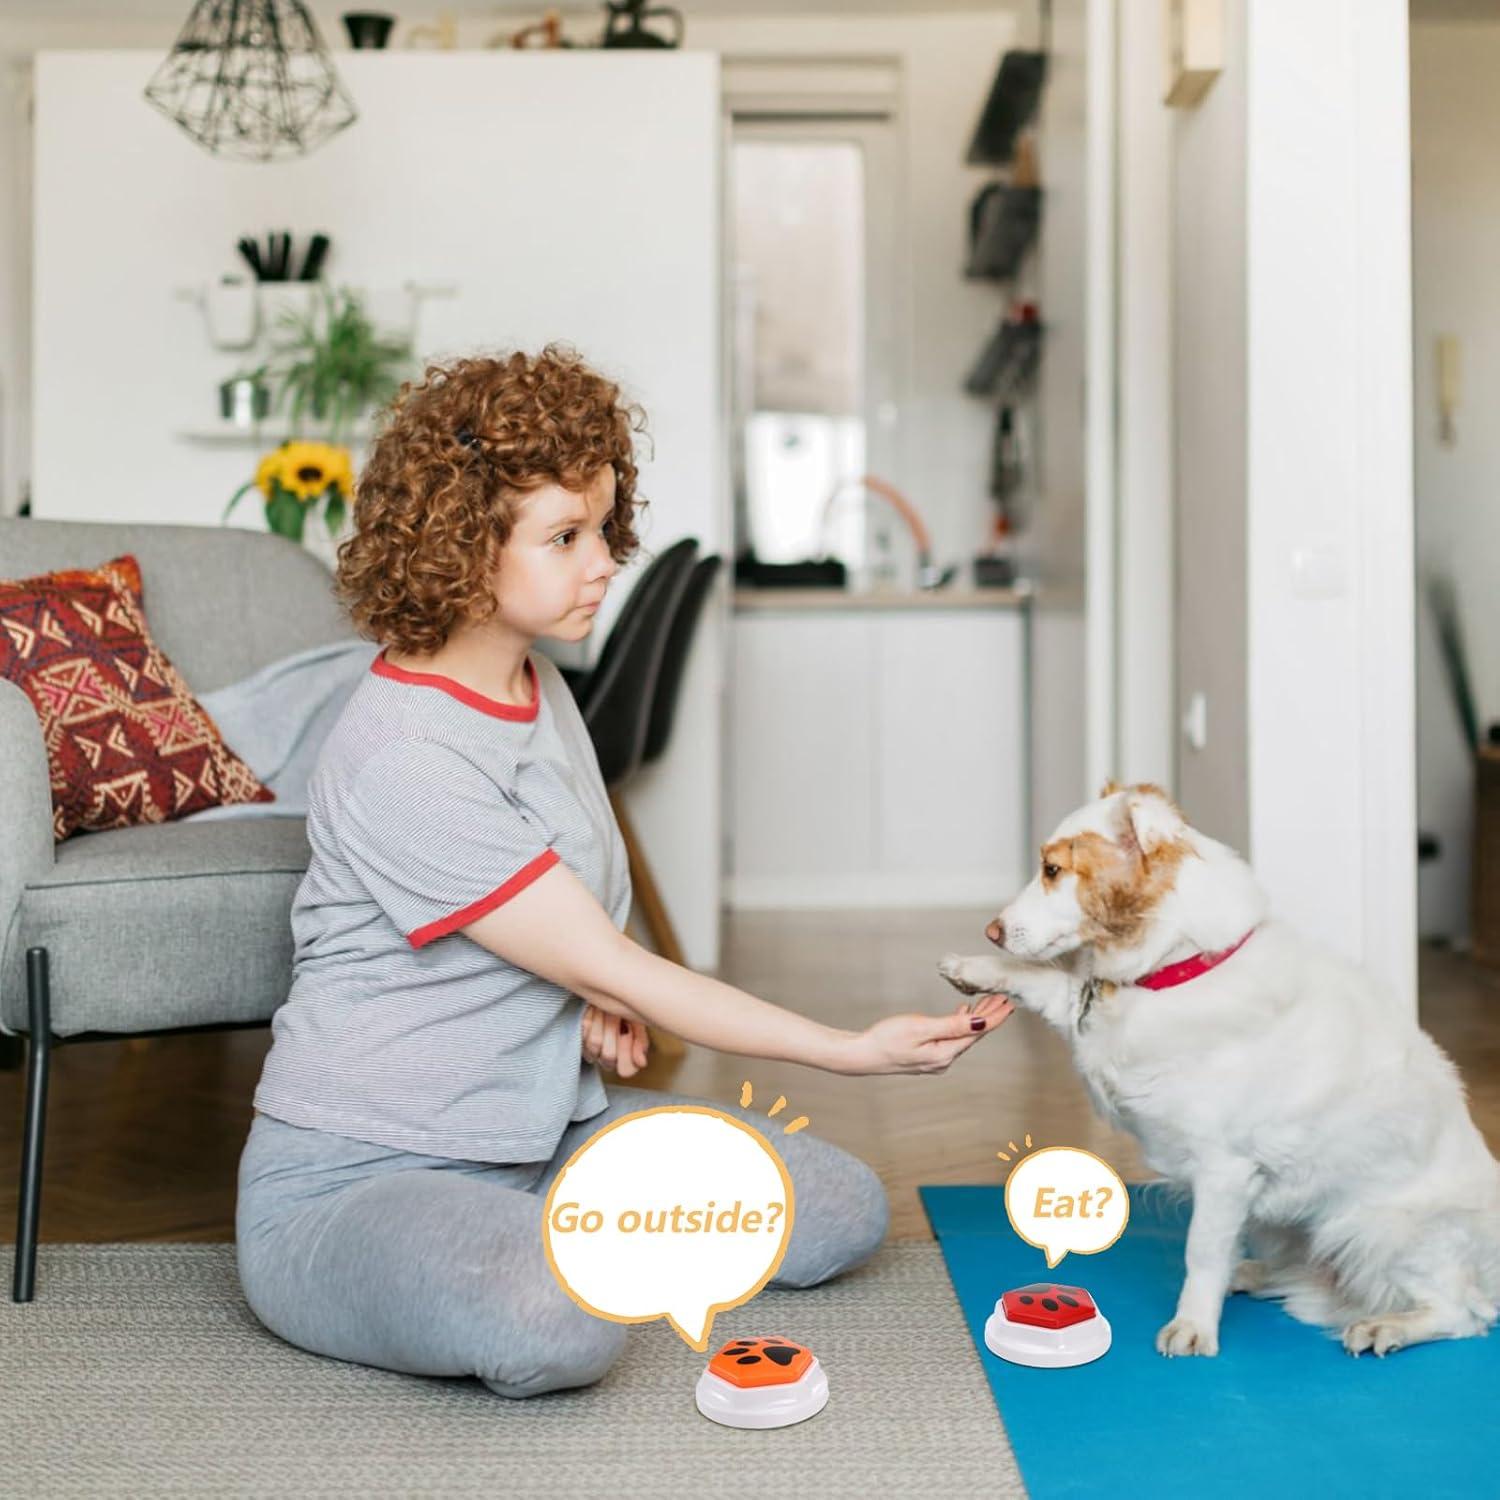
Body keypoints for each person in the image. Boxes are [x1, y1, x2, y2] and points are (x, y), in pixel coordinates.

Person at [235, 345, 1014, 1398]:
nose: (603, 561)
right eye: (564, 537)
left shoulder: (538, 685)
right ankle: (497, 1254)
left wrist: (592, 989)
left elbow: (584, 926)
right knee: (556, 1319)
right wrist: (848, 1050)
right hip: (358, 1179)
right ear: (461, 549)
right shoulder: (405, 754)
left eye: (602, 528)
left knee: (838, 1211)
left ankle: (533, 1233)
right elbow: (611, 950)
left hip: (554, 1136)